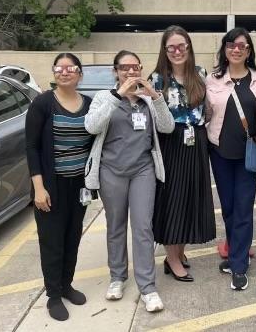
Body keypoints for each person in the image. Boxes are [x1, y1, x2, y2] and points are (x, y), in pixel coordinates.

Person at [84, 50, 174, 313]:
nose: (131, 71)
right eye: (124, 67)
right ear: (115, 71)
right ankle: (117, 277)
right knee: (116, 226)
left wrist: (155, 97)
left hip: (142, 170)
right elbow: (92, 126)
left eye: (135, 67)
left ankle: (147, 287)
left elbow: (167, 127)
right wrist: (118, 96)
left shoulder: (148, 98)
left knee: (143, 227)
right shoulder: (104, 97)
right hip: (111, 170)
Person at [25, 53, 92, 321]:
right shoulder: (42, 103)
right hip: (50, 185)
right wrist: (38, 189)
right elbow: (31, 147)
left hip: (79, 186)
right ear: (54, 73)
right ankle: (53, 295)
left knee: (72, 238)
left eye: (71, 68)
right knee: (52, 241)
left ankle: (66, 285)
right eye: (60, 68)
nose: (65, 72)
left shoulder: (87, 104)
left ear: (79, 74)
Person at [205, 27, 256, 291]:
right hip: (219, 151)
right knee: (229, 208)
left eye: (242, 45)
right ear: (225, 49)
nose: (236, 49)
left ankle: (239, 265)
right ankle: (235, 253)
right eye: (231, 45)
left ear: (249, 50)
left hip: (249, 154)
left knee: (243, 208)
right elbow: (205, 112)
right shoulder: (212, 80)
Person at [150, 25, 216, 282]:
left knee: (191, 198)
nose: (177, 51)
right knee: (172, 199)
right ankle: (172, 257)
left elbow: (208, 108)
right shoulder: (157, 78)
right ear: (165, 51)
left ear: (188, 47)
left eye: (181, 46)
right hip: (171, 141)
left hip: (197, 140)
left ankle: (179, 251)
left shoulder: (199, 73)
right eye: (171, 47)